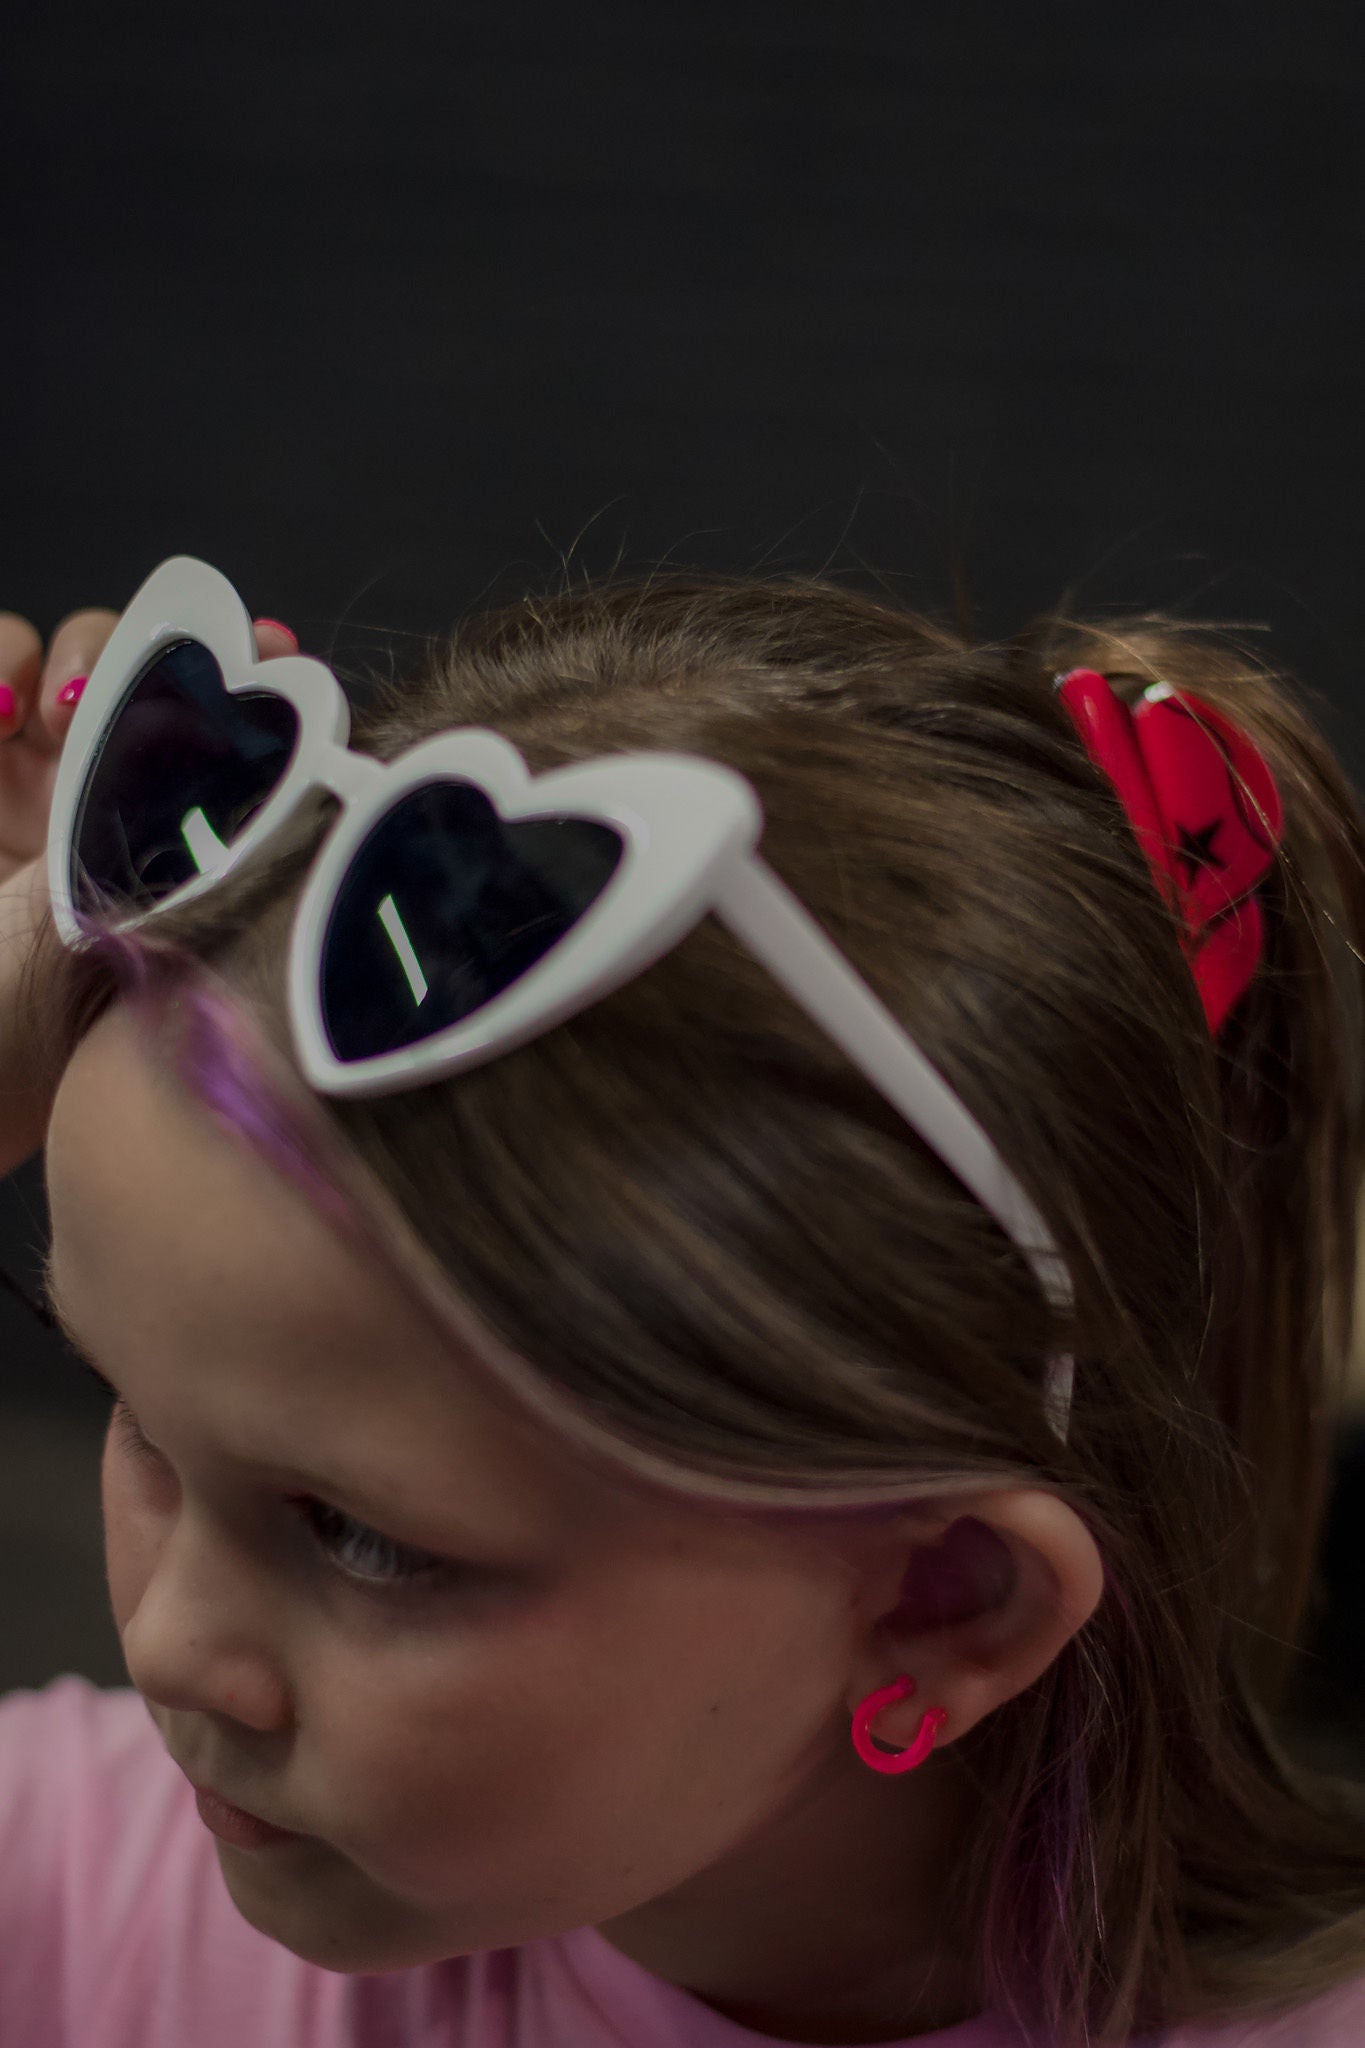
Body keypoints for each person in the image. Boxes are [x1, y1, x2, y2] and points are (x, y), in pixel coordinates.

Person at [0, 557, 1363, 2048]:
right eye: (139, 1419)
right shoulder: (88, 1893)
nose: (166, 1646)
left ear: (945, 1598)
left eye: (361, 1535)